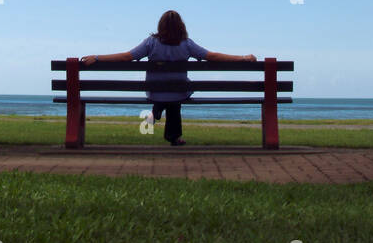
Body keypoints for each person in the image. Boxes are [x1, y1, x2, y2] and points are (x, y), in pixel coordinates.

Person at [82, 10, 255, 146]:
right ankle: (174, 137)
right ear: (181, 26)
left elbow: (127, 57)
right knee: (176, 97)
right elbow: (213, 56)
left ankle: (156, 111)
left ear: (161, 26)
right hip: (178, 93)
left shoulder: (151, 42)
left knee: (166, 93)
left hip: (154, 92)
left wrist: (97, 57)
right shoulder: (187, 44)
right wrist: (242, 58)